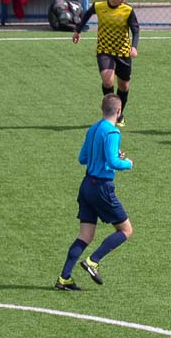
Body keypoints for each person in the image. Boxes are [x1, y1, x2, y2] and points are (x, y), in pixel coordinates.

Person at [55, 94, 134, 290]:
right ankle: (93, 261)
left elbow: (83, 158)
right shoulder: (112, 133)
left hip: (86, 186)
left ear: (102, 108)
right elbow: (113, 162)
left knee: (86, 235)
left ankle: (64, 278)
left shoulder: (93, 129)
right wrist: (127, 163)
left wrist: (110, 156)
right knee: (125, 230)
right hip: (101, 188)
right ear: (119, 111)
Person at [73, 0, 140, 127]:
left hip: (123, 53)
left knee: (123, 86)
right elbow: (86, 15)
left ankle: (119, 112)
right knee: (107, 80)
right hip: (105, 51)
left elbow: (135, 29)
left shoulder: (128, 10)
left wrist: (134, 47)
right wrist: (77, 31)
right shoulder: (99, 6)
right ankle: (113, 112)